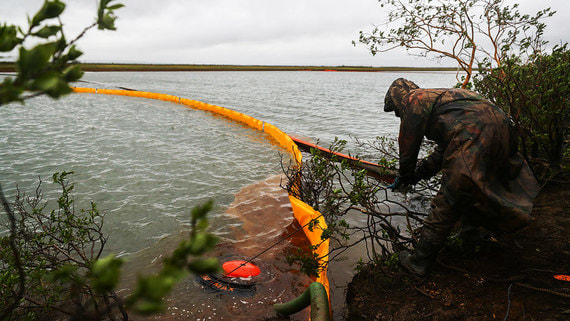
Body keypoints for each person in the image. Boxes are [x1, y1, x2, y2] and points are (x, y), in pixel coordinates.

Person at [383, 78, 539, 278]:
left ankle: (419, 262)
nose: (399, 115)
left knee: (451, 196)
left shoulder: (413, 99)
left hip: (475, 135)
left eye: (396, 111)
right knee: (475, 186)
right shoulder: (443, 98)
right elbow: (445, 148)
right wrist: (420, 173)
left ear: (397, 99)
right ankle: (471, 233)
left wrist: (405, 175)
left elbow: (408, 146)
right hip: (503, 130)